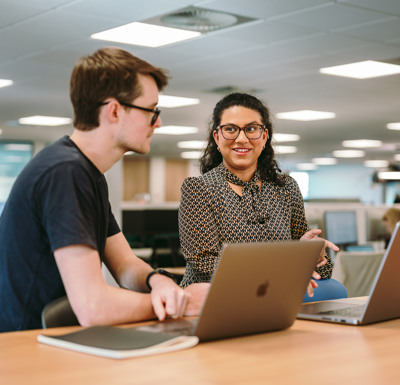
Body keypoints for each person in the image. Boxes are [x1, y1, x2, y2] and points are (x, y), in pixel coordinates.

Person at [0, 47, 201, 332]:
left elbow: (126, 265)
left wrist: (158, 281)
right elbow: (92, 307)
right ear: (115, 111)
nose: (158, 122)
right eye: (151, 111)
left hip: (58, 342)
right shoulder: (64, 172)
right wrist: (182, 304)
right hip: (23, 352)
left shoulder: (88, 173)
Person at [178, 93, 338, 296]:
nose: (242, 139)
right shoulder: (198, 189)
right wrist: (285, 270)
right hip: (212, 304)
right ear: (217, 137)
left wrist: (313, 256)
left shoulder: (286, 188)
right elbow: (206, 266)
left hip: (272, 302)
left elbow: (317, 271)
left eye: (251, 129)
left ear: (264, 136)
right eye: (230, 129)